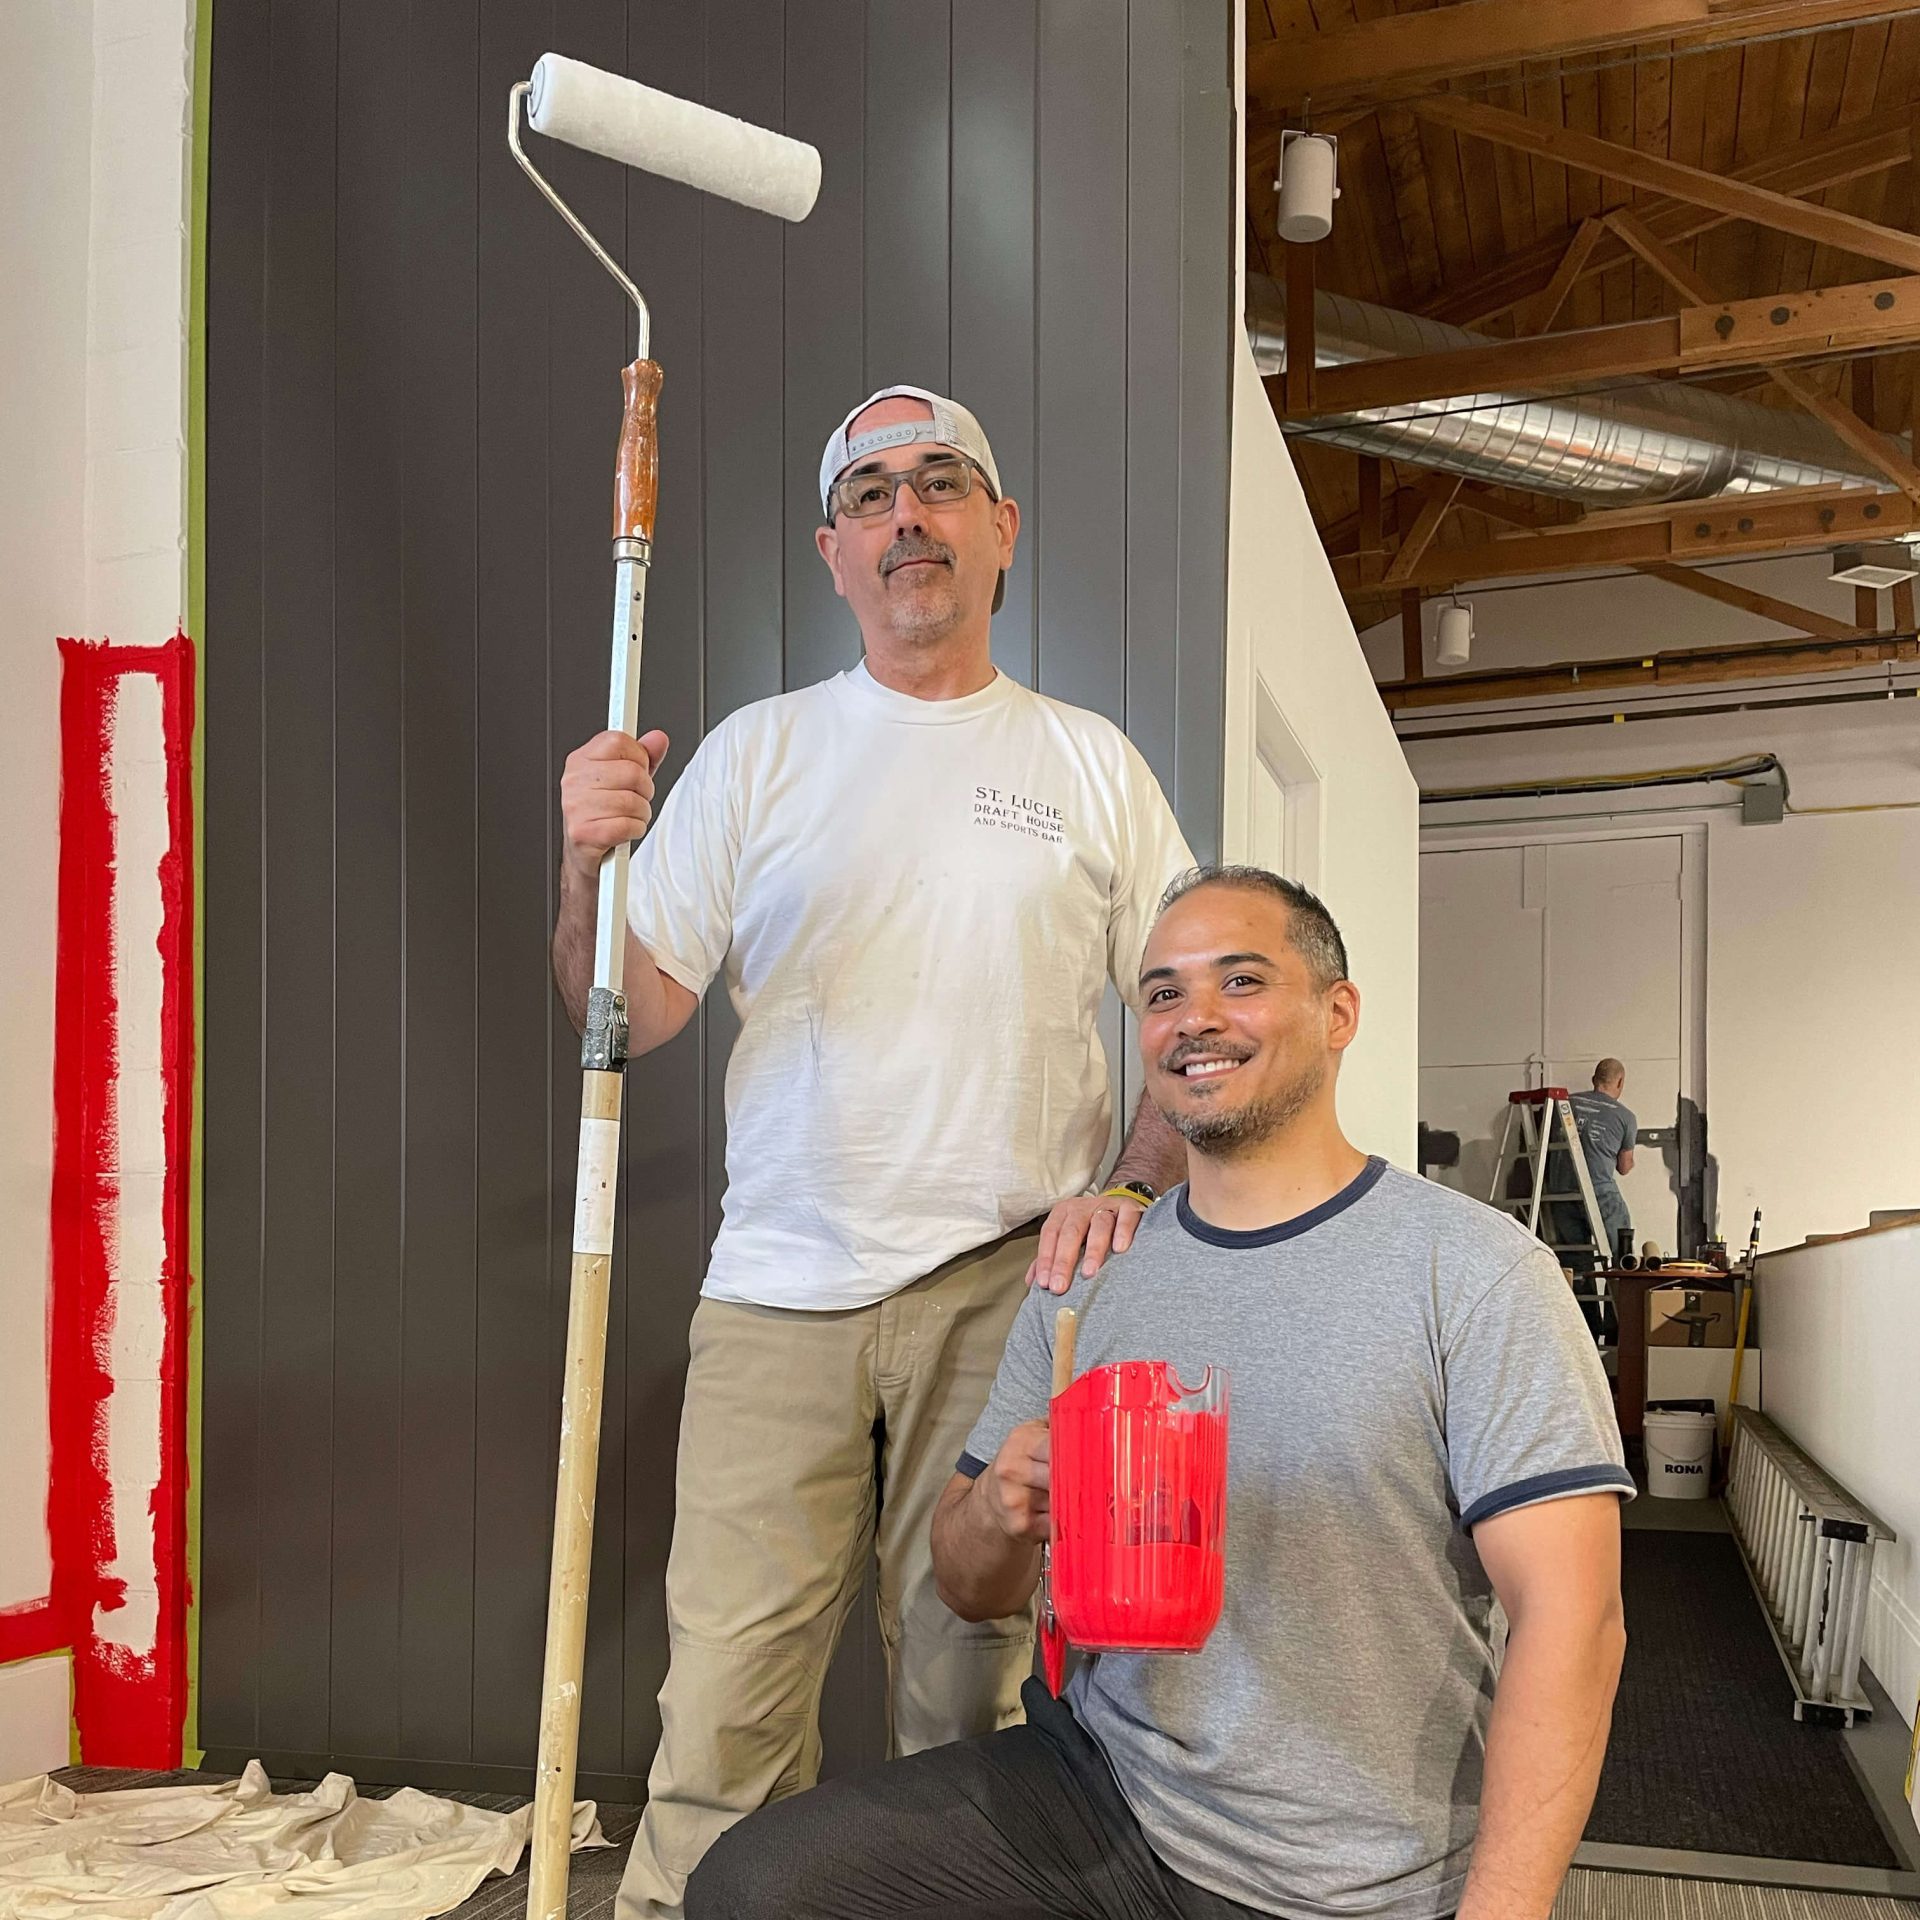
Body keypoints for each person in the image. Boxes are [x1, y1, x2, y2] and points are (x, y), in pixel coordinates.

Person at [686, 865, 1632, 1920]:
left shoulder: (1474, 1271)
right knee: (755, 1888)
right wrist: (1000, 1508)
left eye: (1242, 981)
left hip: (1355, 1869)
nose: (1196, 1019)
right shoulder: (1089, 1272)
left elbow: (1575, 1623)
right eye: (1164, 994)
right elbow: (969, 1586)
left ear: (1337, 1014)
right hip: (1102, 1792)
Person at [552, 385, 1195, 1919]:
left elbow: (1192, 1012)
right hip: (780, 1292)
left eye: (940, 482)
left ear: (1001, 530)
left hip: (1009, 1294)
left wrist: (1129, 1186)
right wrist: (583, 864)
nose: (907, 513)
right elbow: (621, 1012)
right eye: (870, 494)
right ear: (832, 551)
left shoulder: (1092, 766)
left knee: (973, 1710)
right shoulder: (760, 756)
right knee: (723, 1713)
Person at [1569, 1058, 1637, 1258]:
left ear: (1594, 1079)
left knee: (1574, 1257)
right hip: (1599, 1190)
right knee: (1622, 1245)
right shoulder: (1625, 1117)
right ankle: (1622, 1274)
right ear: (1620, 1081)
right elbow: (1624, 1167)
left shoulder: (1565, 1104)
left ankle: (1579, 1278)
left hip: (1560, 1191)